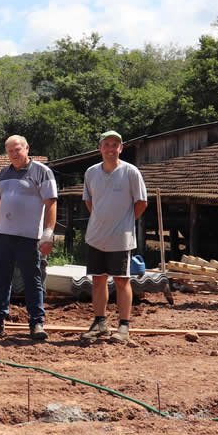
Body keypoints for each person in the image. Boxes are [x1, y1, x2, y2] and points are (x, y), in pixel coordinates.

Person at [0, 135, 58, 340]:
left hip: (29, 237)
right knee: (2, 279)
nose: (14, 153)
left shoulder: (42, 172)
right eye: (10, 150)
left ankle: (37, 323)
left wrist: (48, 234)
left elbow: (51, 203)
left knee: (32, 279)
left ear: (27, 148)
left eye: (18, 149)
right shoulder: (3, 173)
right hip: (4, 235)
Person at [80, 130, 148, 344]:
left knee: (122, 280)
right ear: (100, 148)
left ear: (121, 148)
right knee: (98, 280)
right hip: (96, 236)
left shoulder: (131, 172)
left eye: (115, 145)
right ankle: (100, 323)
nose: (110, 148)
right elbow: (89, 201)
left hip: (121, 237)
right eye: (106, 144)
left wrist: (123, 221)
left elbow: (141, 202)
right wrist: (102, 219)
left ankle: (124, 326)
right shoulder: (91, 172)